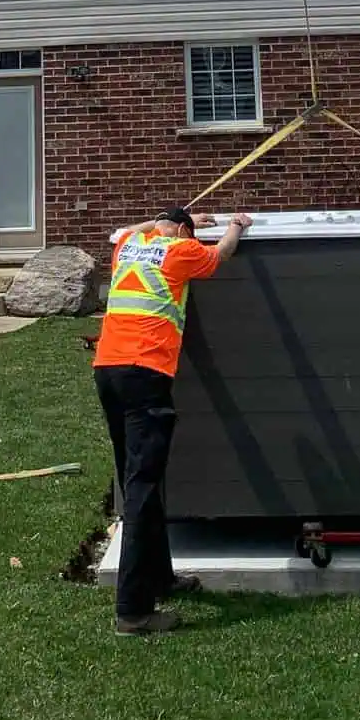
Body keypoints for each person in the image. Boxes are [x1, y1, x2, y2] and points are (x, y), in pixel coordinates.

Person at [93, 202, 252, 635]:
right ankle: (133, 610)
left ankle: (159, 577)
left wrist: (175, 224)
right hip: (146, 375)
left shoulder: (129, 245)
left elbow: (129, 227)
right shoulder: (180, 253)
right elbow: (221, 255)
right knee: (142, 488)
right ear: (182, 232)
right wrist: (236, 225)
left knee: (141, 480)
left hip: (108, 372)